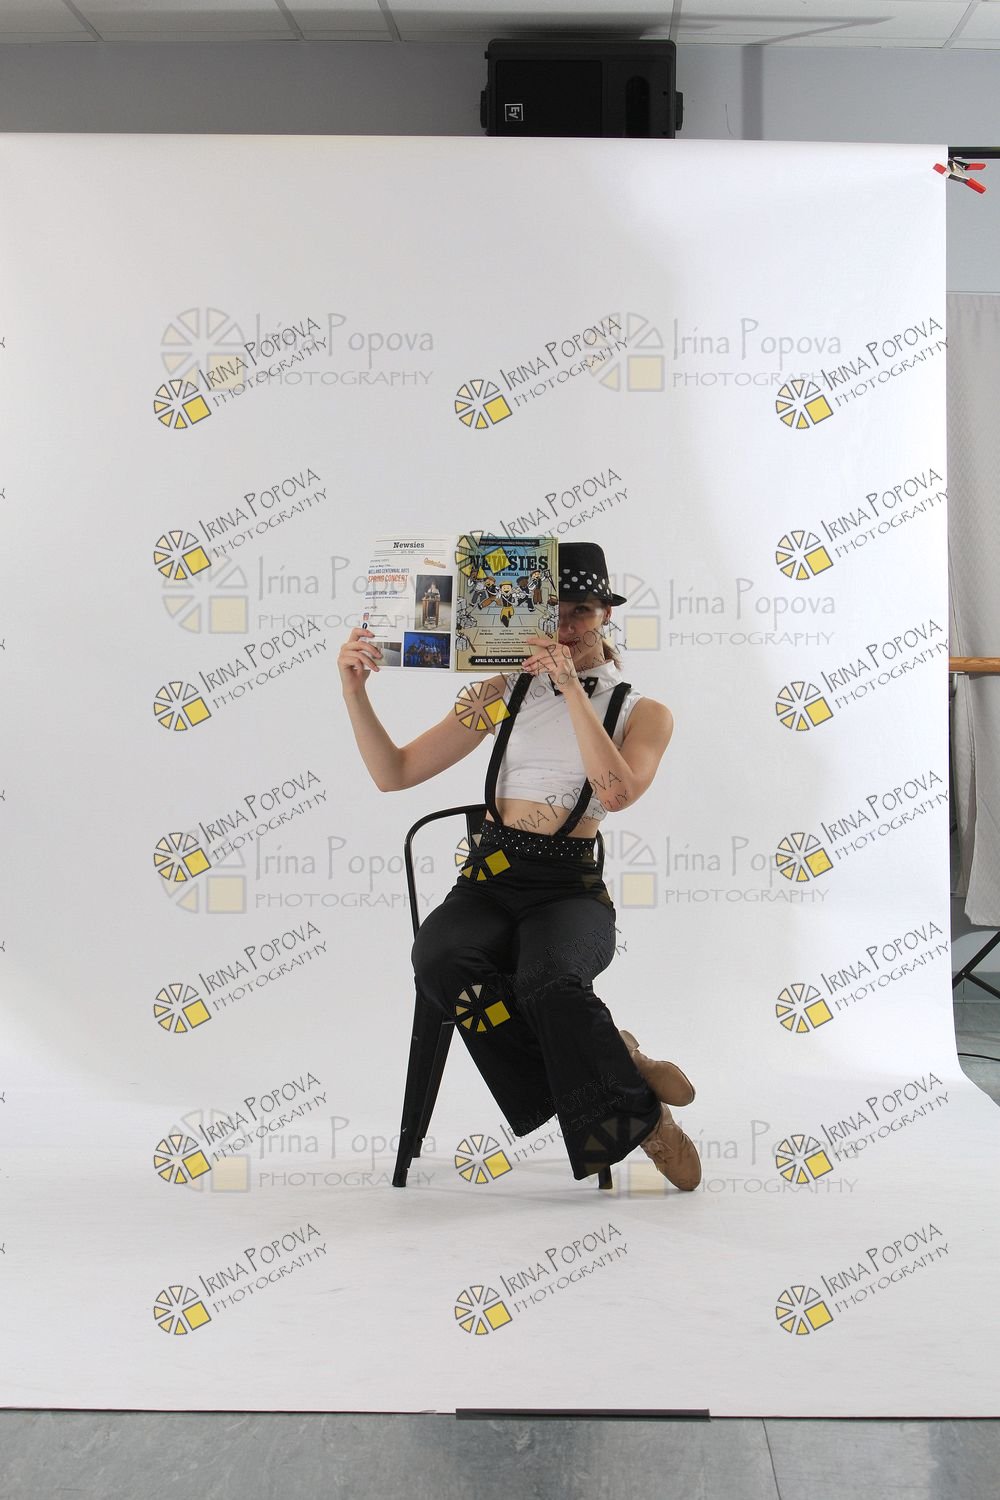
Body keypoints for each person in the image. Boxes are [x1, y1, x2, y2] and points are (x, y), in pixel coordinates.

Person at [338, 541, 701, 1191]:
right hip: (488, 880)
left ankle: (620, 1088)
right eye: (552, 609)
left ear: (606, 617)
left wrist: (570, 689)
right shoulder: (499, 693)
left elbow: (617, 793)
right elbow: (395, 773)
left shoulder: (642, 711)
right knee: (441, 962)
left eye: (582, 610)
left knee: (551, 980)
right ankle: (629, 1089)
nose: (566, 624)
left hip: (569, 889)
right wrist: (354, 691)